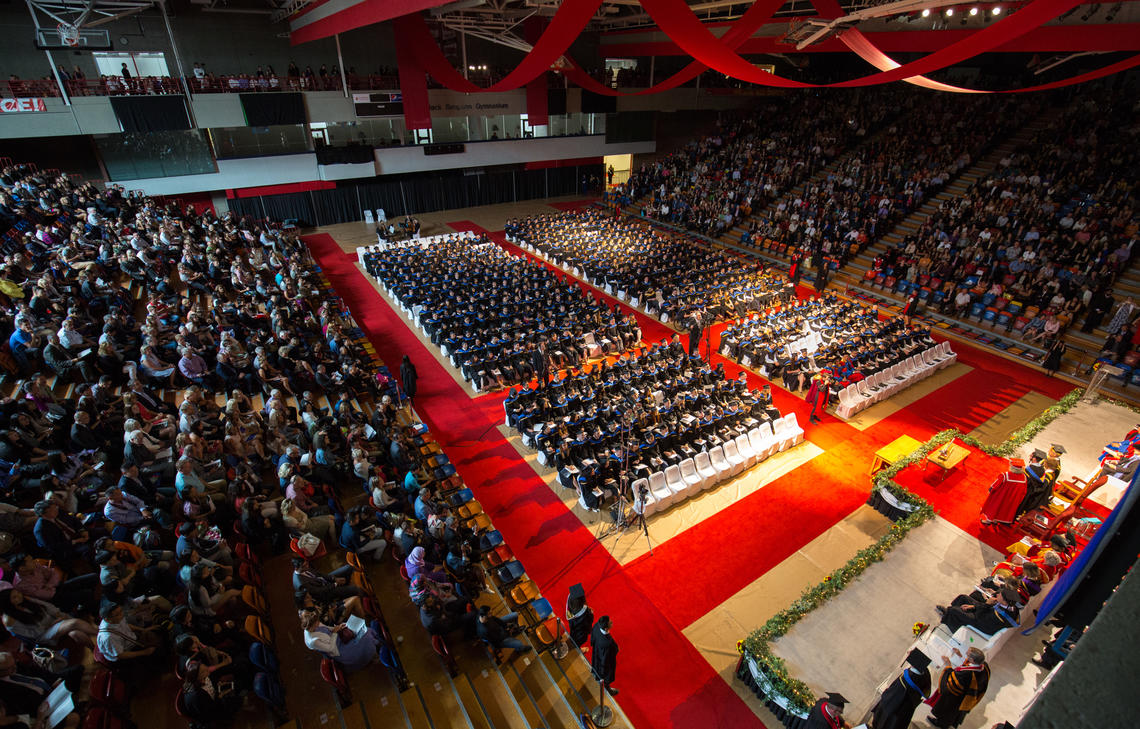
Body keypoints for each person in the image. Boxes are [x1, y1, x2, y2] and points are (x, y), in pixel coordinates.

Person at [928, 647, 990, 728]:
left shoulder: (966, 674)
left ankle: (941, 724)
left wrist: (948, 665)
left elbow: (950, 685)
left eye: (967, 655)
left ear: (972, 660)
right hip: (968, 695)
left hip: (957, 698)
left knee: (948, 712)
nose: (965, 655)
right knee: (956, 713)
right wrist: (960, 655)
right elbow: (970, 666)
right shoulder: (985, 667)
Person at [870, 649, 931, 729]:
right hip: (906, 711)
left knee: (884, 723)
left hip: (894, 710)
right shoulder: (924, 675)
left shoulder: (907, 680)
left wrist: (886, 694)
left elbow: (891, 699)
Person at [980, 458, 1028, 526]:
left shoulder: (1005, 475)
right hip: (1011, 499)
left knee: (995, 508)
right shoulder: (1024, 478)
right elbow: (1024, 491)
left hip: (1000, 496)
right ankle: (996, 520)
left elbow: (995, 485)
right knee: (1003, 510)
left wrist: (991, 489)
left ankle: (988, 521)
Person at [589, 614, 619, 696]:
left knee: (596, 668)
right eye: (610, 622)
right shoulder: (608, 643)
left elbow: (592, 640)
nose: (612, 622)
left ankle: (599, 678)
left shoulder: (596, 626)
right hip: (605, 662)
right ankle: (607, 688)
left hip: (596, 653)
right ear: (606, 628)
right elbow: (612, 653)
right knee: (605, 676)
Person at [566, 582, 594, 648]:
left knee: (573, 635)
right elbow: (588, 623)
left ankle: (573, 644)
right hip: (581, 632)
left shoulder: (570, 599)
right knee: (579, 641)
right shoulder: (586, 613)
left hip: (573, 625)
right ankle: (577, 649)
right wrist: (590, 612)